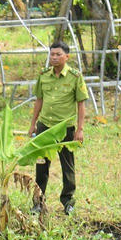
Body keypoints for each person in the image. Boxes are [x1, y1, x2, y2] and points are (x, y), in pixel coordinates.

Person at [28, 41, 88, 215]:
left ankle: (68, 201)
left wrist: (80, 129)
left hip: (65, 127)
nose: (54, 58)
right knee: (41, 165)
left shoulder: (75, 77)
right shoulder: (44, 75)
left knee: (67, 165)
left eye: (58, 54)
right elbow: (39, 100)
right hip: (45, 126)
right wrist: (33, 124)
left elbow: (81, 104)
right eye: (52, 54)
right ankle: (38, 202)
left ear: (66, 57)